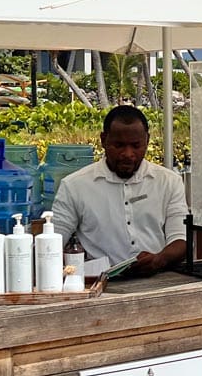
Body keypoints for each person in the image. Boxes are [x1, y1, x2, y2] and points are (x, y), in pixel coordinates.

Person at [52, 106, 188, 277]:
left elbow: (181, 239)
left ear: (147, 140)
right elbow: (53, 242)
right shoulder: (74, 186)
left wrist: (159, 260)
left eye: (136, 145)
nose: (128, 154)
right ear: (103, 140)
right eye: (119, 145)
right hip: (101, 286)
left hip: (159, 280)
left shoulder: (169, 182)